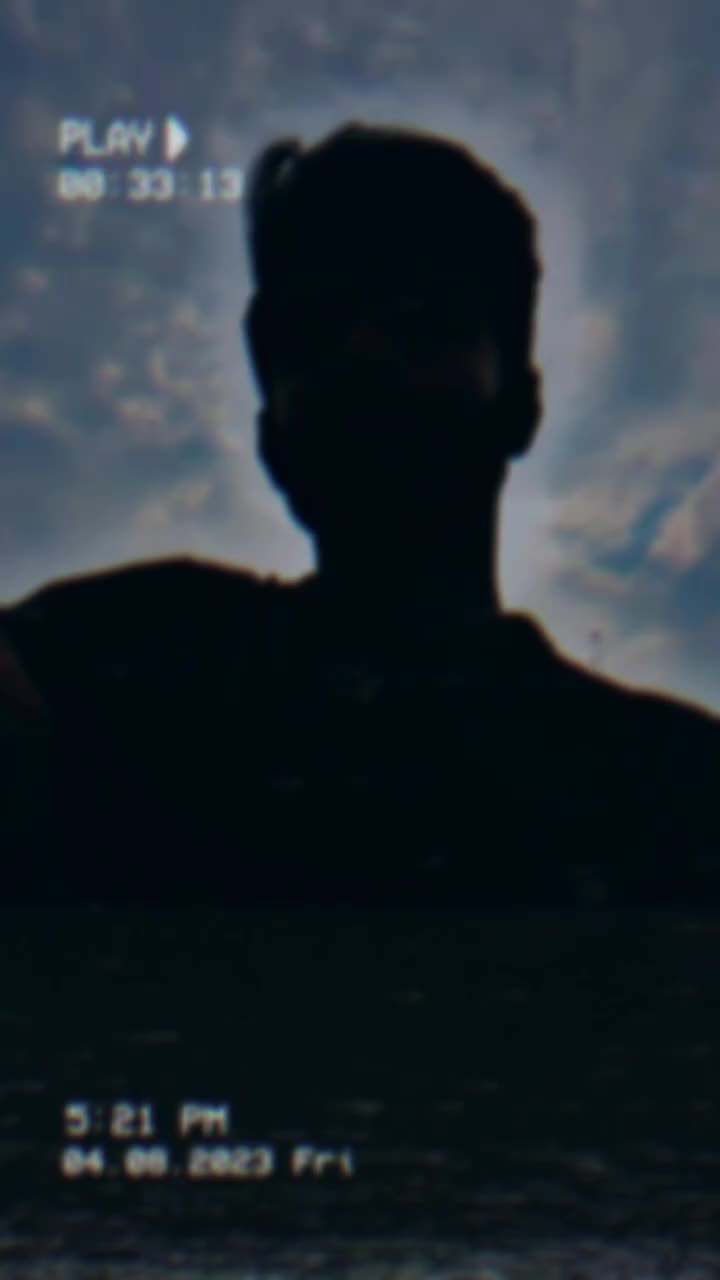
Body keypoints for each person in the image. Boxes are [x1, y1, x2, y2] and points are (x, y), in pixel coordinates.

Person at [0, 121, 718, 908]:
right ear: (270, 433)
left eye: (421, 315)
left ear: (520, 403)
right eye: (312, 328)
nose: (361, 355)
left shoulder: (675, 795)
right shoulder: (129, 661)